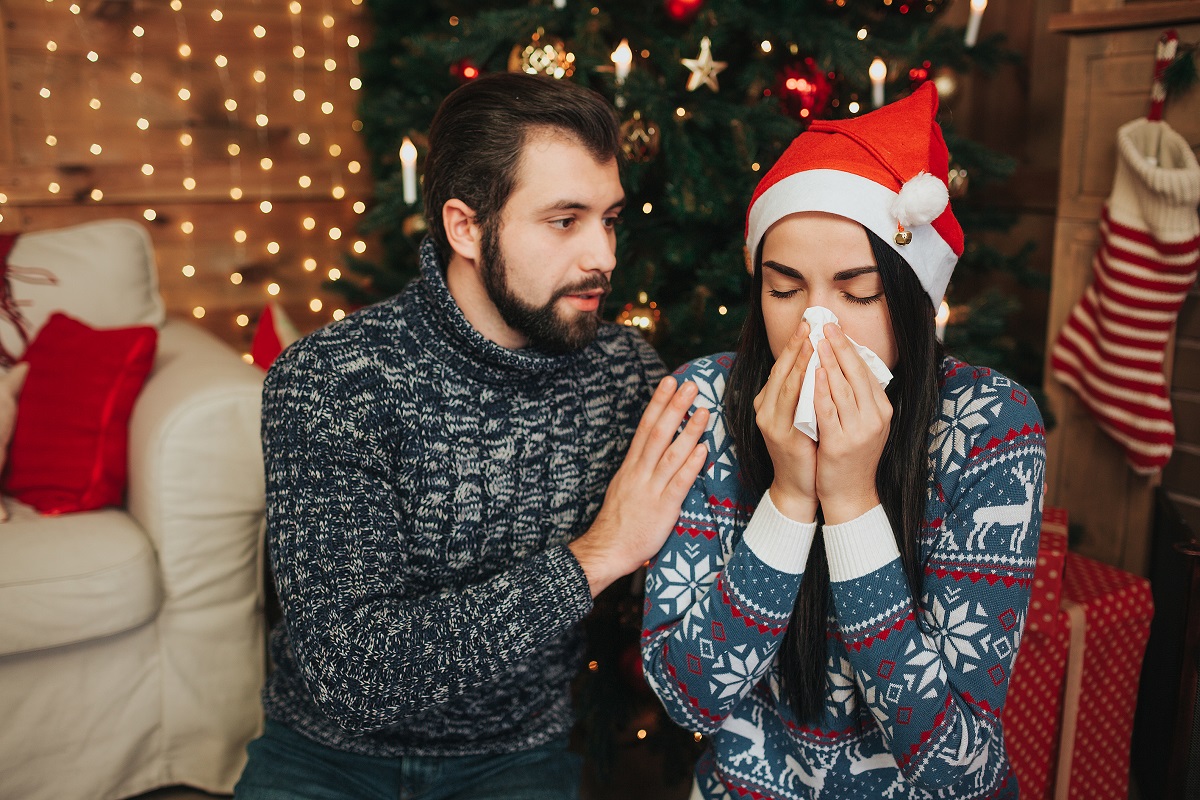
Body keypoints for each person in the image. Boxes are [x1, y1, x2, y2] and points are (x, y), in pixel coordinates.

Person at [235, 72, 709, 800]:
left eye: (609, 219)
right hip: (327, 758)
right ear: (465, 227)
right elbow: (353, 671)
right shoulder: (333, 379)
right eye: (565, 220)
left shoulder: (625, 374)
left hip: (516, 758)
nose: (604, 257)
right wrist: (598, 555)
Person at [641, 82, 1044, 799]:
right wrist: (791, 496)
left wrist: (852, 502)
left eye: (858, 293)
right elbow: (687, 699)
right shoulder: (702, 400)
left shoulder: (991, 425)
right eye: (784, 288)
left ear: (914, 294)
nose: (814, 326)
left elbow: (957, 768)